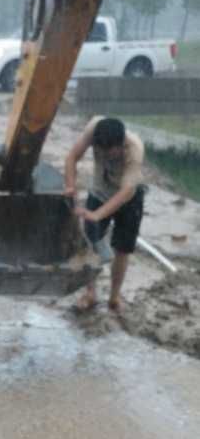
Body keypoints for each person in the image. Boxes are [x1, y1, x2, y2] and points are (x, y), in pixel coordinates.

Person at [64, 116, 145, 313]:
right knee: (88, 242)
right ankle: (90, 293)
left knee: (122, 248)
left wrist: (98, 214)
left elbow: (126, 192)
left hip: (128, 198)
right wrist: (70, 186)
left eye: (110, 152)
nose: (104, 155)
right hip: (99, 191)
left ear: (120, 145)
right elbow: (72, 157)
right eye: (99, 151)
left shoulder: (134, 149)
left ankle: (114, 297)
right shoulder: (93, 129)